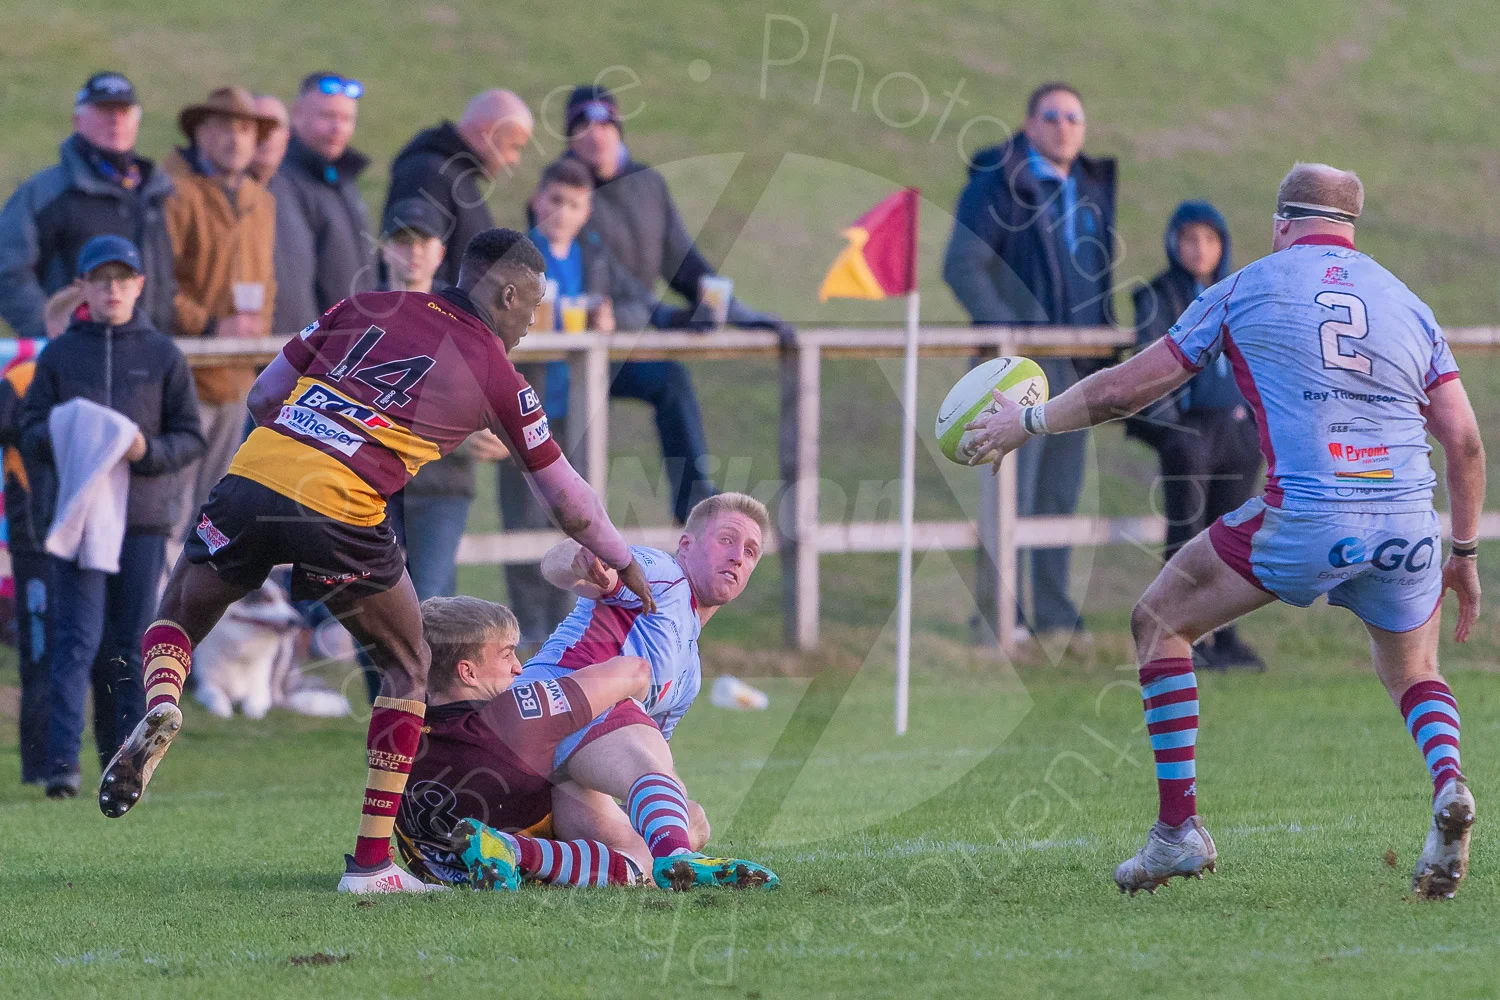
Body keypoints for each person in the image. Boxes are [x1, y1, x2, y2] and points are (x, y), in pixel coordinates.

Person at [961, 164, 1484, 900]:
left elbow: (1129, 386)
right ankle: (1448, 787)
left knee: (1159, 620)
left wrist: (1030, 419)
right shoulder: (1408, 303)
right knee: (1414, 672)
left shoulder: (1248, 286)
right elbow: (1462, 440)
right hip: (1409, 520)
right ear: (1350, 229)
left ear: (1280, 225)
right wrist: (1463, 552)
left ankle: (1177, 833)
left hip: (1310, 512)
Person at [96, 228, 658, 898]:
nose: (532, 324)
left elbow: (265, 396)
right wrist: (622, 559)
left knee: (179, 614)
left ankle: (162, 704)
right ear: (507, 292)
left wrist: (330, 420)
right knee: (409, 665)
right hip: (340, 502)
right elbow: (569, 502)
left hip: (256, 473)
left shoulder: (364, 304)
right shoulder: (498, 376)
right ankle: (369, 866)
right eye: (531, 308)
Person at [411, 492, 781, 891]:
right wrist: (581, 562)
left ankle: (511, 851)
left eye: (751, 551)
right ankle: (678, 857)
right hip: (549, 705)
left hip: (568, 755)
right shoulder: (662, 574)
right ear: (686, 546)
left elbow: (642, 757)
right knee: (665, 805)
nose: (738, 556)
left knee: (666, 833)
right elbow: (558, 563)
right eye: (726, 539)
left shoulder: (690, 675)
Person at [19, 236, 204, 799]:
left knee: (129, 644)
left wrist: (145, 453)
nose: (113, 289)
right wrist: (72, 437)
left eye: (123, 279)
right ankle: (61, 769)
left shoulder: (162, 354)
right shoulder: (59, 355)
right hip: (78, 522)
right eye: (101, 280)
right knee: (75, 641)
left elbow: (188, 436)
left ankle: (125, 767)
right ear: (83, 288)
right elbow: (29, 430)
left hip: (142, 520)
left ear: (140, 285)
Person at [558, 84, 789, 525]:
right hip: (573, 351)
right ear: (569, 138)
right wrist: (660, 318)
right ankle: (576, 519)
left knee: (670, 382)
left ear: (618, 128)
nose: (595, 135)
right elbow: (578, 275)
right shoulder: (561, 192)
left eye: (604, 123)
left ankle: (695, 500)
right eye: (582, 126)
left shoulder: (648, 185)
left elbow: (685, 266)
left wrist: (743, 315)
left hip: (631, 340)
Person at [943, 81, 1117, 647]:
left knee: (1060, 492)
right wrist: (1010, 341)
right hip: (1015, 372)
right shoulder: (998, 183)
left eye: (1074, 116)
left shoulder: (1087, 187)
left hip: (1077, 365)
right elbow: (961, 266)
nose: (1064, 126)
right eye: (1052, 115)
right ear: (1029, 122)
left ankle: (1056, 616)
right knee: (1011, 492)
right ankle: (998, 616)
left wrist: (1105, 342)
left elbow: (1095, 275)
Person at [393, 596, 665, 887]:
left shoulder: (395, 727)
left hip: (434, 870)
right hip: (531, 865)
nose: (518, 668)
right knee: (651, 846)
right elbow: (634, 671)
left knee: (690, 817)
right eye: (507, 654)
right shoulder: (513, 716)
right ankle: (520, 851)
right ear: (468, 672)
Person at [1130, 201, 1263, 670]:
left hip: (1237, 430)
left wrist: (1252, 419)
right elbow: (1146, 364)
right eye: (1190, 239)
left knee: (1231, 537)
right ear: (1173, 243)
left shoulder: (1238, 295)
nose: (1200, 249)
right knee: (1188, 534)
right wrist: (1174, 430)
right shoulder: (1158, 295)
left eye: (1210, 239)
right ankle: (1178, 639)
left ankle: (1223, 637)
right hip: (1189, 432)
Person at [378, 198, 510, 601]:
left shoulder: (468, 321)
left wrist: (503, 434)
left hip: (441, 487)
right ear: (384, 249)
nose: (413, 252)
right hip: (374, 483)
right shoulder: (360, 315)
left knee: (430, 600)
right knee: (375, 602)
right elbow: (357, 407)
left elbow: (500, 399)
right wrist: (453, 436)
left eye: (424, 242)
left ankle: (438, 664)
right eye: (403, 241)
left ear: (441, 251)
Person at [163, 86, 281, 535]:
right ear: (200, 133)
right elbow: (157, 287)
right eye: (224, 127)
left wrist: (257, 334)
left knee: (216, 508)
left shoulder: (261, 200)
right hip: (185, 375)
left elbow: (268, 282)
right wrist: (211, 325)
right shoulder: (174, 193)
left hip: (237, 377)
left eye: (246, 128)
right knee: (172, 510)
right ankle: (161, 606)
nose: (236, 138)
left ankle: (200, 605)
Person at [0, 72, 176, 339]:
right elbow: (8, 270)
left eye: (124, 110)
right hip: (75, 358)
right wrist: (49, 329)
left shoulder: (159, 193)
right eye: (104, 109)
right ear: (77, 120)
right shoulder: (46, 193)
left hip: (148, 354)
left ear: (136, 120)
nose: (115, 118)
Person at [0, 285, 81, 785]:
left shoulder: (104, 375)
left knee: (92, 650)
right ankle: (39, 767)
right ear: (52, 329)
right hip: (36, 537)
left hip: (95, 533)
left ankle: (103, 759)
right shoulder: (22, 379)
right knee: (40, 652)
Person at [383, 89, 533, 287]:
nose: (514, 160)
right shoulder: (428, 174)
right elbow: (410, 270)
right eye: (514, 146)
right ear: (487, 132)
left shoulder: (456, 176)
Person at [274, 72, 374, 316]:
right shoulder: (281, 183)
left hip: (353, 335)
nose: (337, 128)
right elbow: (293, 281)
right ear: (296, 114)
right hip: (320, 342)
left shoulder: (344, 182)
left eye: (347, 119)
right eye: (327, 116)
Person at [248, 94, 311, 336]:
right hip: (241, 352)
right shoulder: (221, 199)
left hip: (298, 349)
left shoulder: (296, 192)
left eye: (274, 127)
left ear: (287, 136)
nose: (266, 136)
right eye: (258, 126)